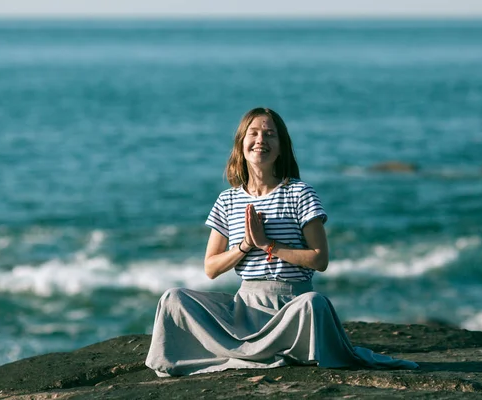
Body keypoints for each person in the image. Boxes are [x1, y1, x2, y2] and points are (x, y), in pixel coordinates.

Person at [145, 107, 418, 377]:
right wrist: (245, 246)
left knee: (315, 303)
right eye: (253, 133)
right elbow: (211, 268)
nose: (260, 140)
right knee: (174, 298)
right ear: (241, 144)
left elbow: (319, 259)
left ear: (280, 147)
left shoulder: (300, 193)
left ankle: (255, 352)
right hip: (244, 310)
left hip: (291, 309)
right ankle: (251, 351)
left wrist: (269, 245)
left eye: (269, 134)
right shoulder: (227, 200)